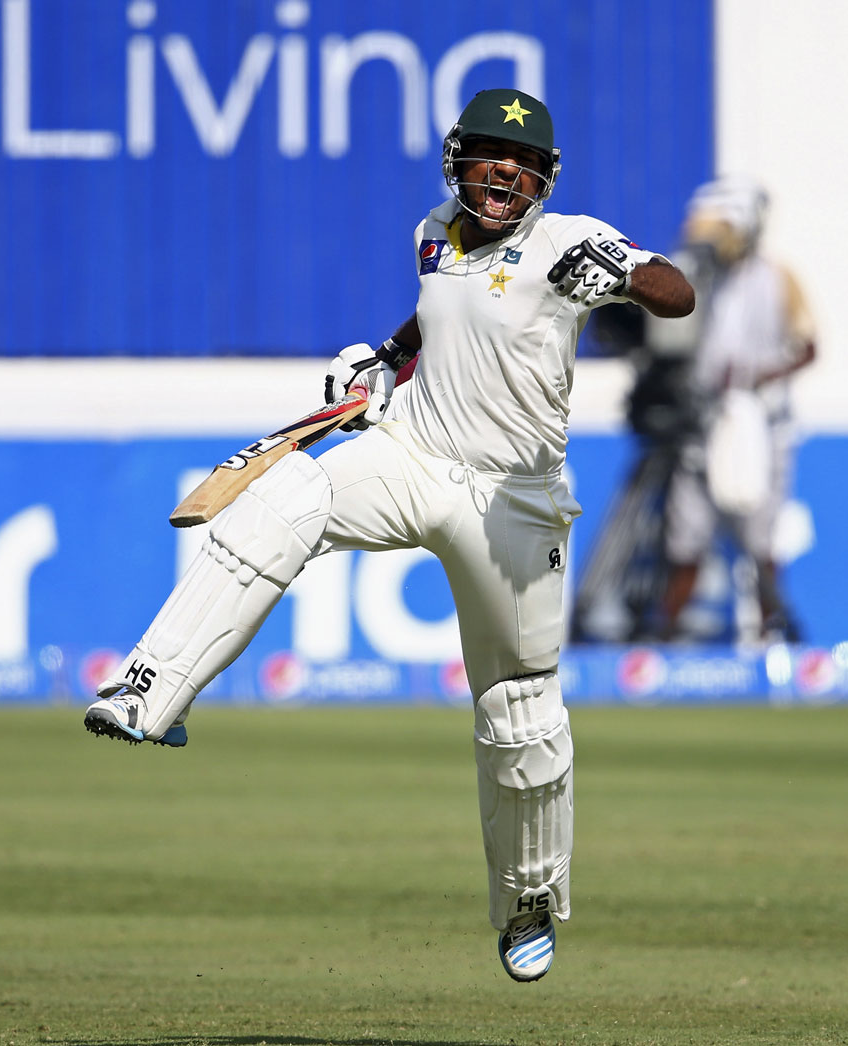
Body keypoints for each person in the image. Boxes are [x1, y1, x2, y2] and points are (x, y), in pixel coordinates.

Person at [83, 89, 694, 982]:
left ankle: (527, 898)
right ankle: (154, 689)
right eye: (489, 154)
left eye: (521, 164)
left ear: (545, 180)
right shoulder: (434, 233)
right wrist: (385, 357)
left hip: (515, 503)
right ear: (459, 158)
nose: (504, 173)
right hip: (413, 454)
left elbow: (674, 293)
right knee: (288, 495)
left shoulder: (567, 243)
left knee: (519, 713)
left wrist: (625, 277)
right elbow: (435, 316)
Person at [651, 177, 816, 643]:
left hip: (757, 425)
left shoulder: (777, 278)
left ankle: (771, 627)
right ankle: (668, 631)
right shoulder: (695, 276)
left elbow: (808, 344)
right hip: (700, 421)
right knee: (686, 535)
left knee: (759, 538)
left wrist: (760, 375)